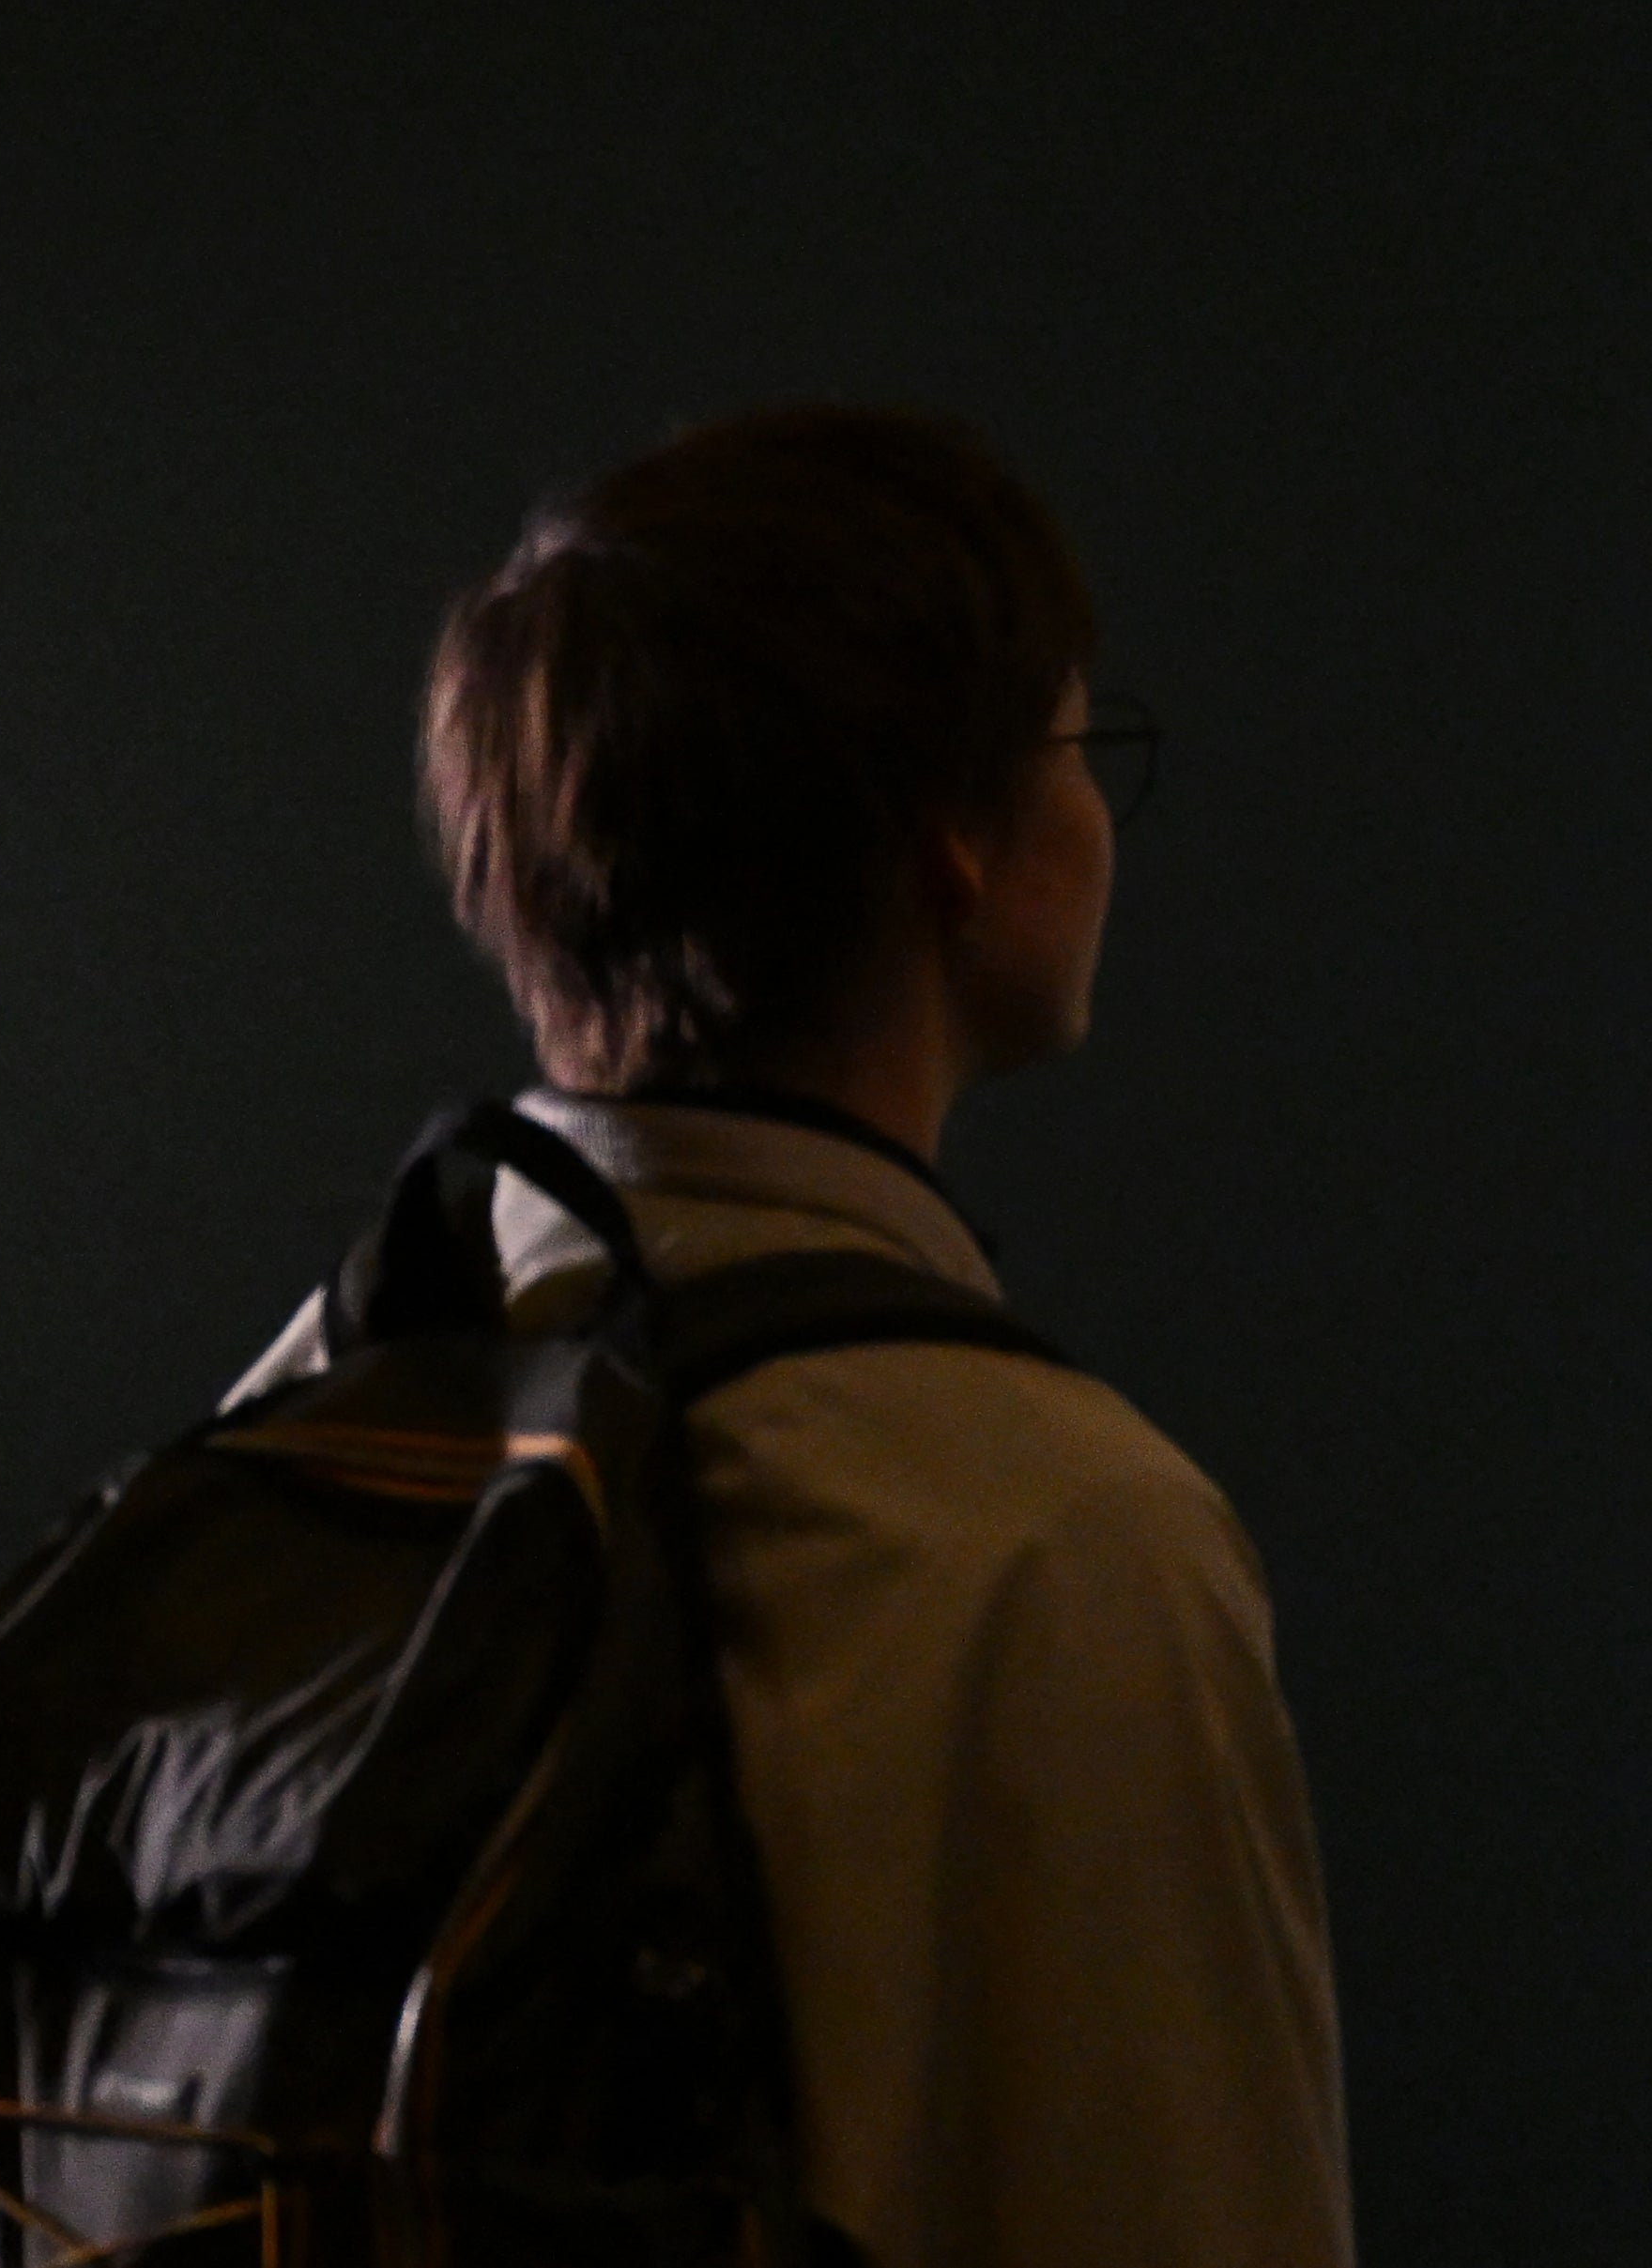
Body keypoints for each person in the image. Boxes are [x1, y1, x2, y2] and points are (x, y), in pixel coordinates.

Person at [232, 406, 1354, 2266]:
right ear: (957, 840)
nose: (1095, 812)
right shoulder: (1054, 1539)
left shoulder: (289, 1430)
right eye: (1080, 747)